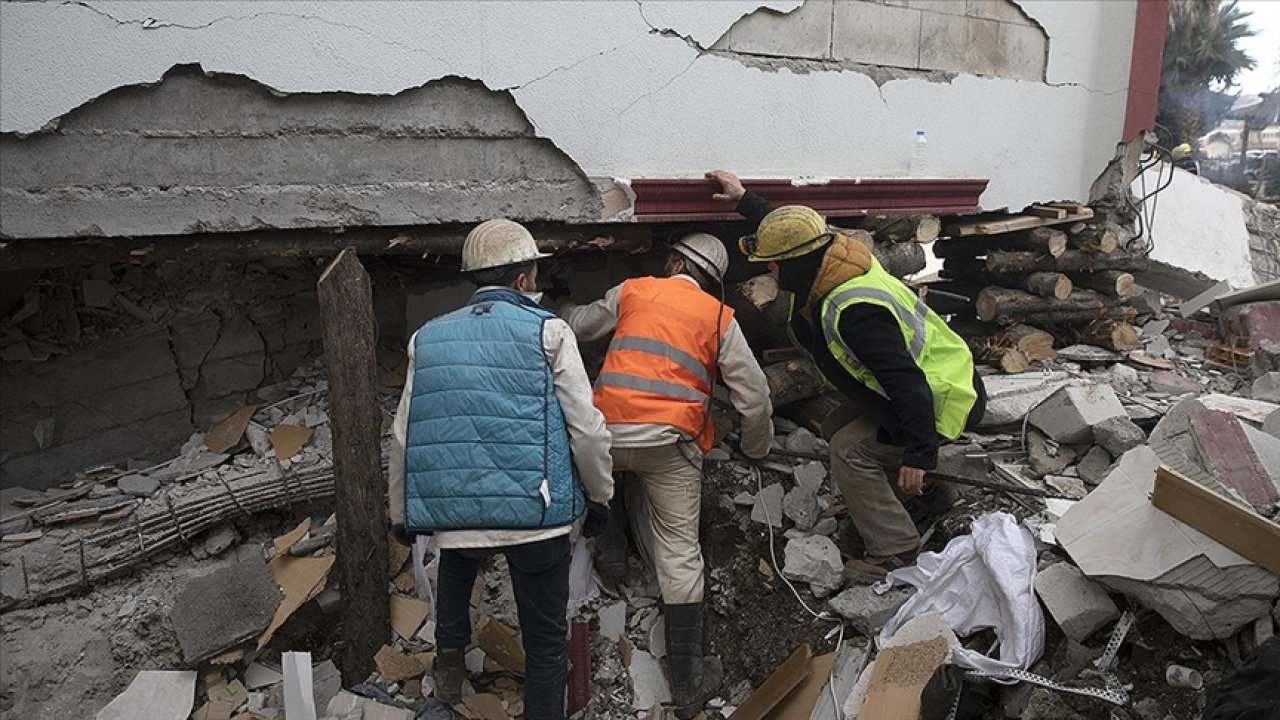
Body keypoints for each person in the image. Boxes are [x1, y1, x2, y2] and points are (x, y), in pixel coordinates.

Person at [387, 218, 614, 720]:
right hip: (536, 515)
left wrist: (401, 513)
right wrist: (600, 494)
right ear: (524, 277)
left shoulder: (427, 338)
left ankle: (450, 671)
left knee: (458, 557)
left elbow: (404, 433)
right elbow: (587, 428)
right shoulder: (549, 330)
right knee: (546, 642)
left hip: (457, 511)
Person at [705, 169, 987, 572]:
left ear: (796, 264)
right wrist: (744, 199)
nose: (769, 270)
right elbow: (795, 231)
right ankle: (925, 495)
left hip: (943, 397)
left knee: (849, 449)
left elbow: (906, 383)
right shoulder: (836, 255)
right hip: (937, 379)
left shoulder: (855, 311)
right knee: (836, 424)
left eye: (773, 264)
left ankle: (896, 549)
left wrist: (919, 454)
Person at [556, 233, 774, 718]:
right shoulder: (719, 317)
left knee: (601, 483)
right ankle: (689, 682)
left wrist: (561, 303)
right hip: (670, 444)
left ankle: (611, 551)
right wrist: (756, 447)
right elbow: (754, 394)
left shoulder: (633, 289)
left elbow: (583, 325)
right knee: (679, 551)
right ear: (712, 282)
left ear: (674, 261)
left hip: (607, 432)